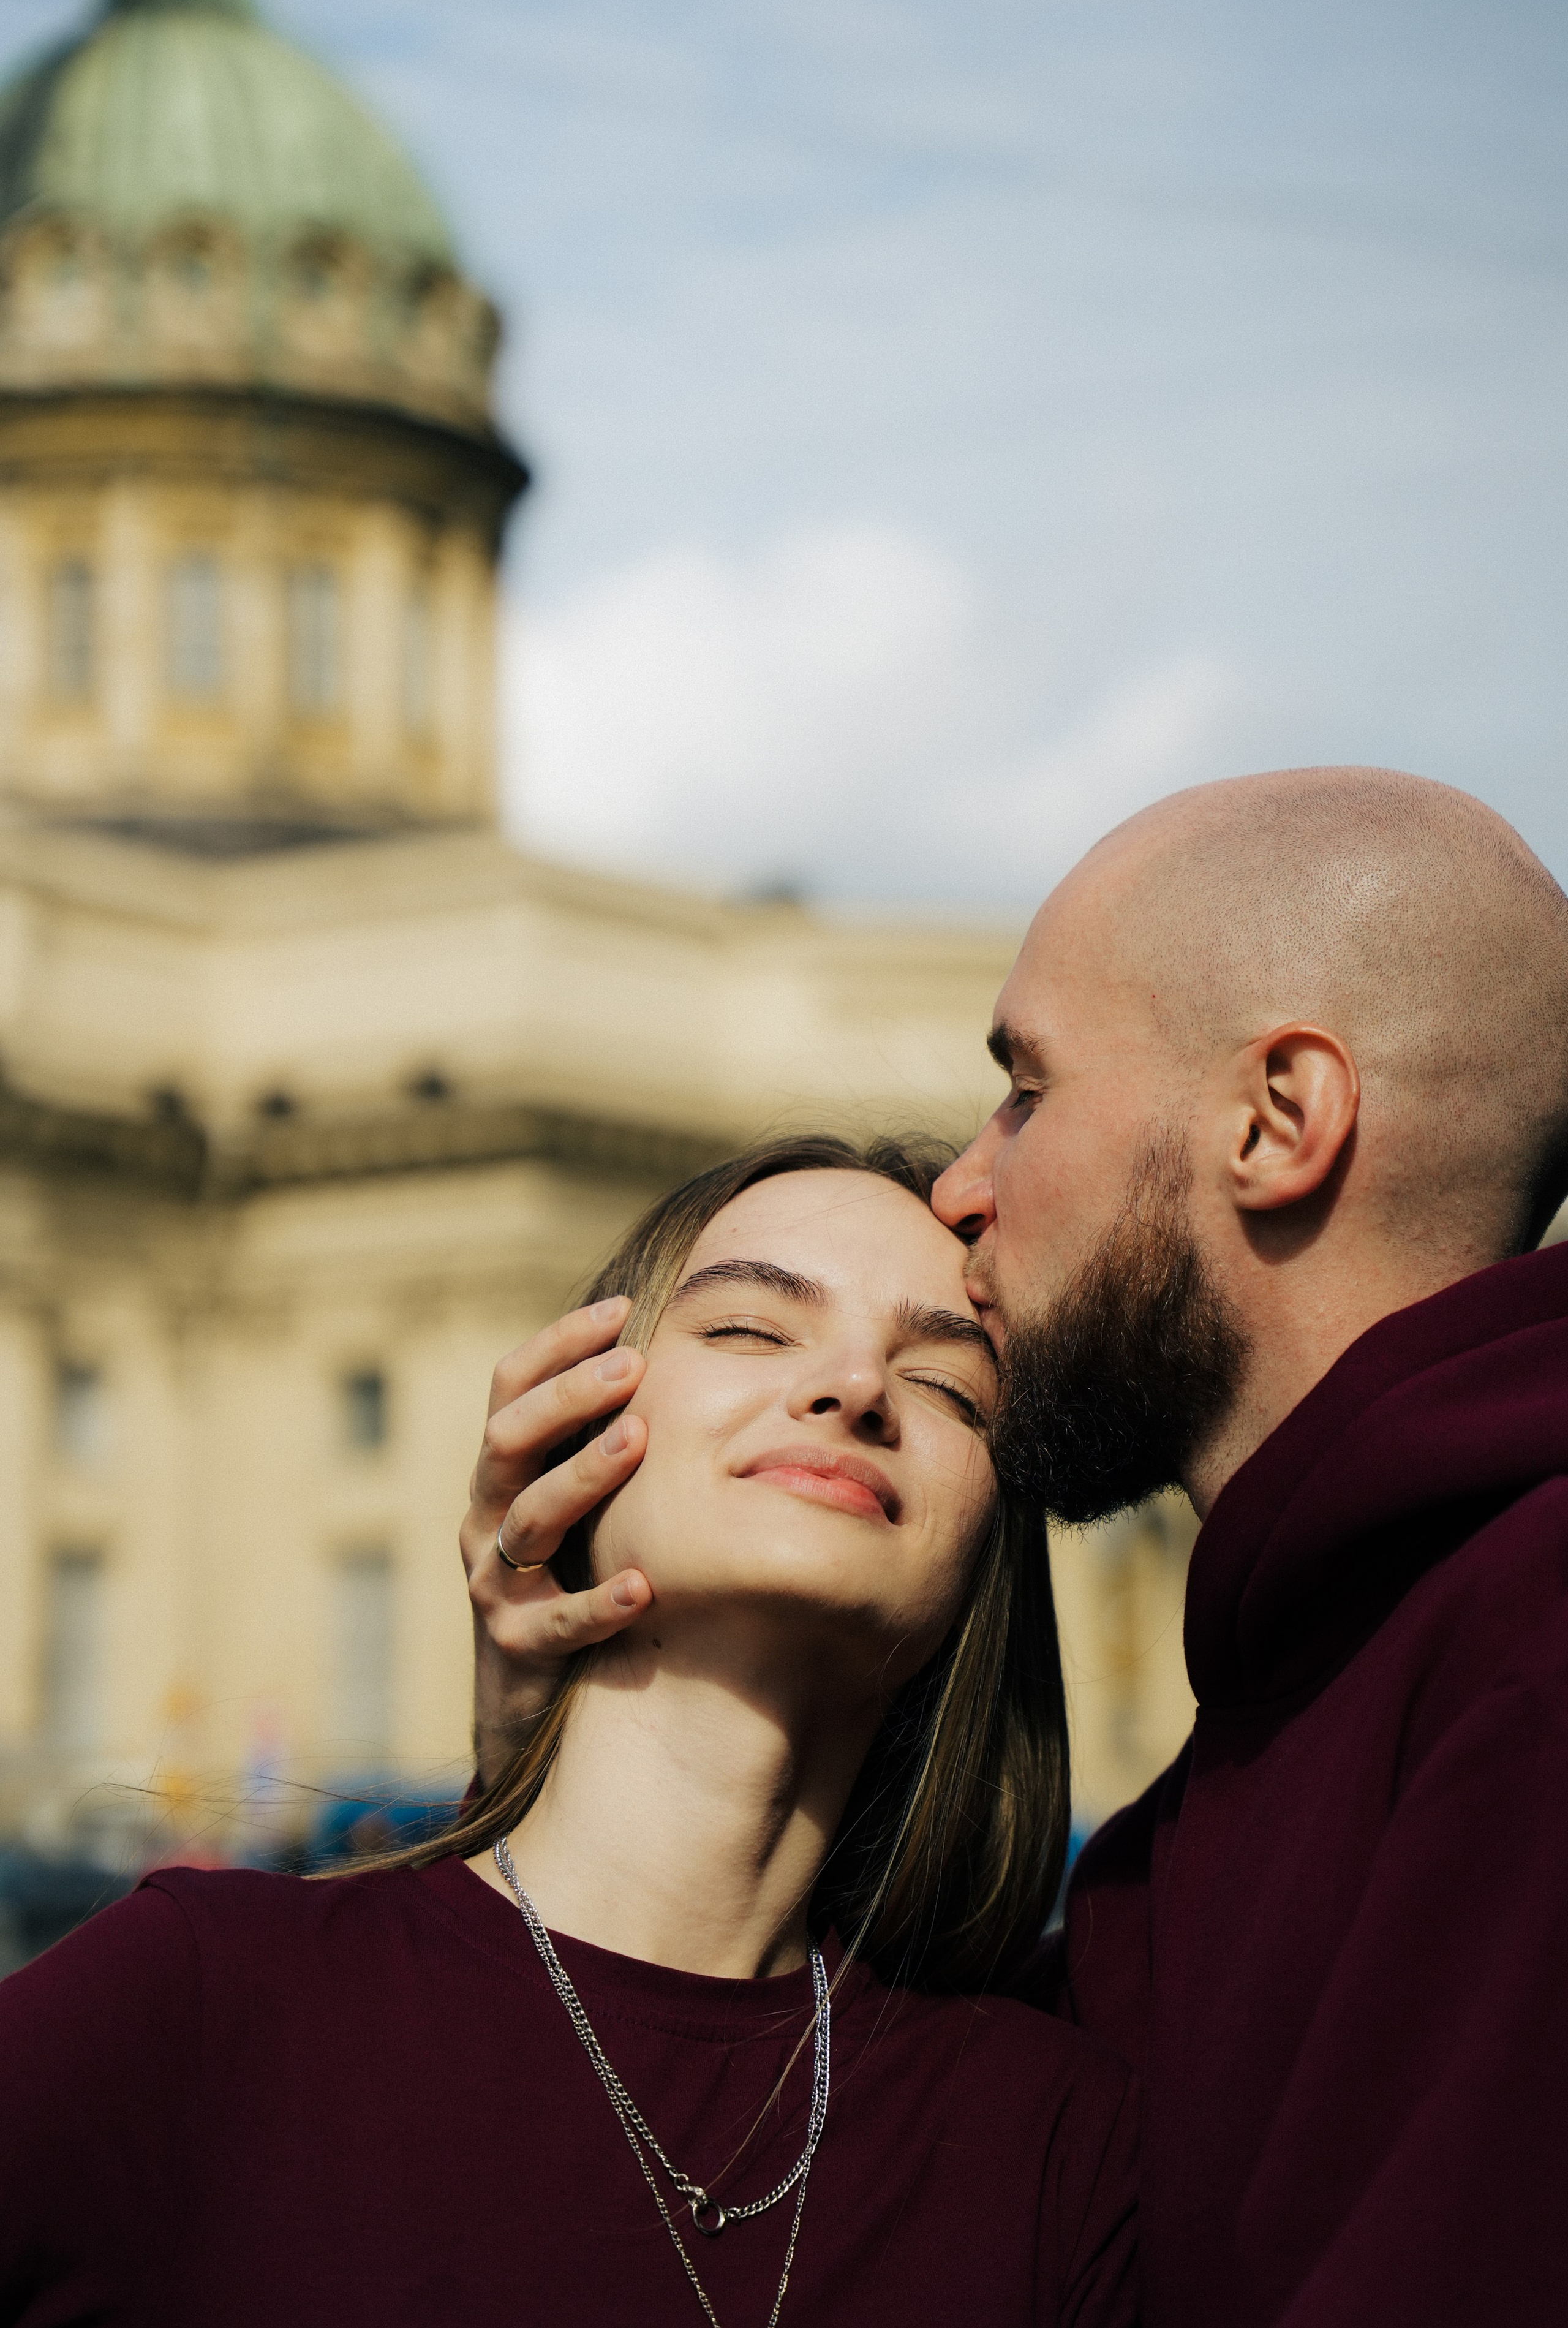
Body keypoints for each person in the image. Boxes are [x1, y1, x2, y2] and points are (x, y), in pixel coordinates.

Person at [472, 768, 1568, 2327]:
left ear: (1277, 1120)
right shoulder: (1182, 1846)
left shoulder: (1526, 1652)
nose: (962, 1184)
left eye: (1026, 1088)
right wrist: (537, 1772)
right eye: (743, 1324)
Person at [0, 1135, 1139, 2328]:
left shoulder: (1055, 2139)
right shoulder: (202, 1997)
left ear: (990, 1552)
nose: (854, 1386)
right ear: (569, 1432)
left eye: (949, 1385)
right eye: (751, 1327)